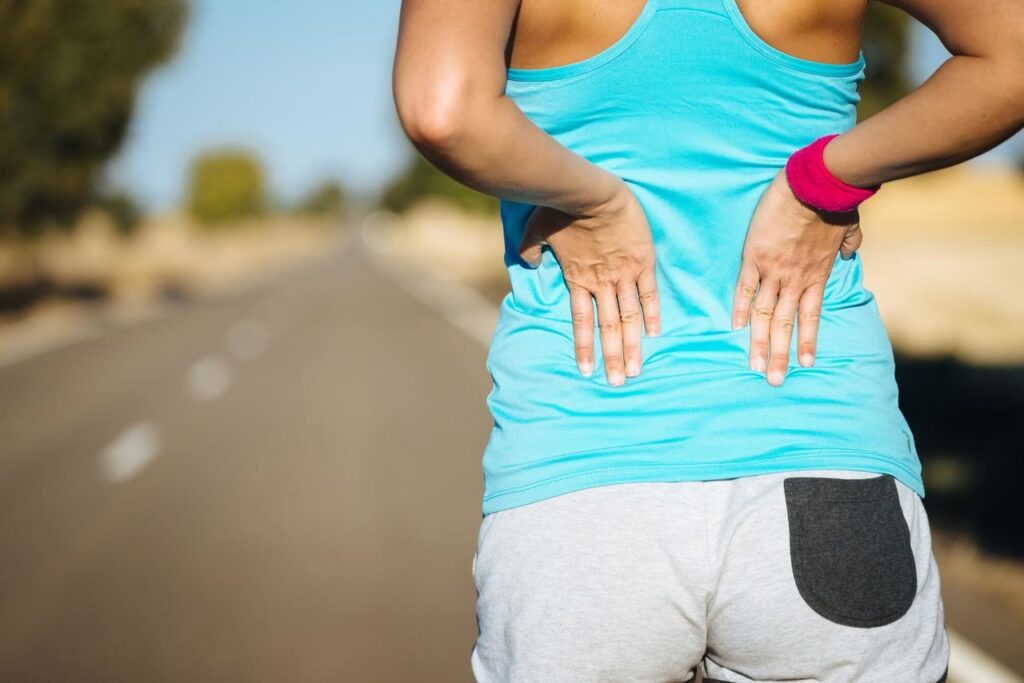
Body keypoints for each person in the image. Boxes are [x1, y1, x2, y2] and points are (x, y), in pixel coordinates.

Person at [392, 0, 1024, 680]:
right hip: (823, 456)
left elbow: (442, 108)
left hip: (582, 478)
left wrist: (593, 199)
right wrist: (827, 178)